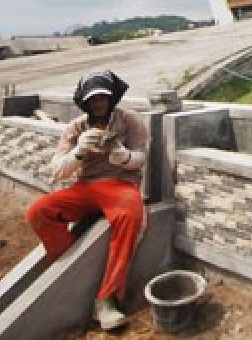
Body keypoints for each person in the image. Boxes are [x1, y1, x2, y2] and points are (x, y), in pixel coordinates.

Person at [25, 70, 149, 331]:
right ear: (85, 102)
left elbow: (141, 157)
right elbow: (58, 171)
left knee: (130, 217)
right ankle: (66, 259)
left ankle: (107, 298)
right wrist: (78, 152)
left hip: (120, 185)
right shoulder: (77, 127)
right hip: (86, 187)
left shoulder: (129, 120)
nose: (99, 103)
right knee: (38, 211)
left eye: (103, 98)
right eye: (93, 99)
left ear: (112, 98)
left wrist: (124, 156)